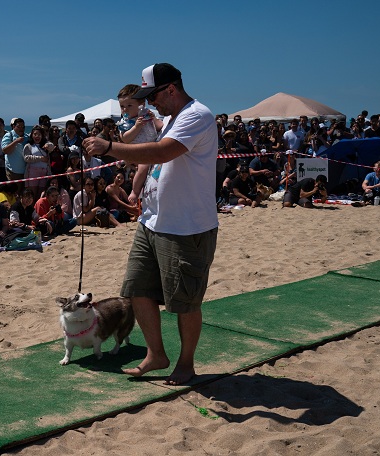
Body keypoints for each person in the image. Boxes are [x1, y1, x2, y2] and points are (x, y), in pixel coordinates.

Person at [82, 63, 218, 385]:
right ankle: (156, 354)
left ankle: (186, 364)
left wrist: (110, 147)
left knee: (184, 302)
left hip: (186, 226)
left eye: (152, 95)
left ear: (170, 89)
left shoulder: (197, 115)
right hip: (152, 220)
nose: (148, 102)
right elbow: (148, 158)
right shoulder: (169, 118)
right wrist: (136, 184)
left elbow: (162, 152)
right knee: (136, 290)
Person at [117, 83, 164, 206]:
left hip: (154, 147)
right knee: (143, 167)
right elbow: (125, 138)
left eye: (129, 105)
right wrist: (136, 127)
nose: (125, 109)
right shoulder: (125, 122)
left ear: (141, 104)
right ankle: (135, 191)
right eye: (122, 106)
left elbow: (160, 127)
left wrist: (154, 119)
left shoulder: (147, 114)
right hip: (138, 151)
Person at [1, 118, 28, 194]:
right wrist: (16, 141)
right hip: (13, 172)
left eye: (23, 127)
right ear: (13, 126)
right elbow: (5, 150)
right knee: (14, 194)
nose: (21, 129)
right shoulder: (9, 135)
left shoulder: (27, 136)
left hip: (25, 172)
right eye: (19, 127)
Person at [23, 126, 53, 196]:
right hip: (32, 172)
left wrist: (48, 145)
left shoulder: (45, 145)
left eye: (39, 134)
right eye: (35, 134)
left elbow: (52, 147)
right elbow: (26, 158)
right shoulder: (29, 146)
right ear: (32, 135)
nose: (37, 136)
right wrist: (40, 158)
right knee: (32, 193)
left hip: (44, 172)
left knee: (41, 193)